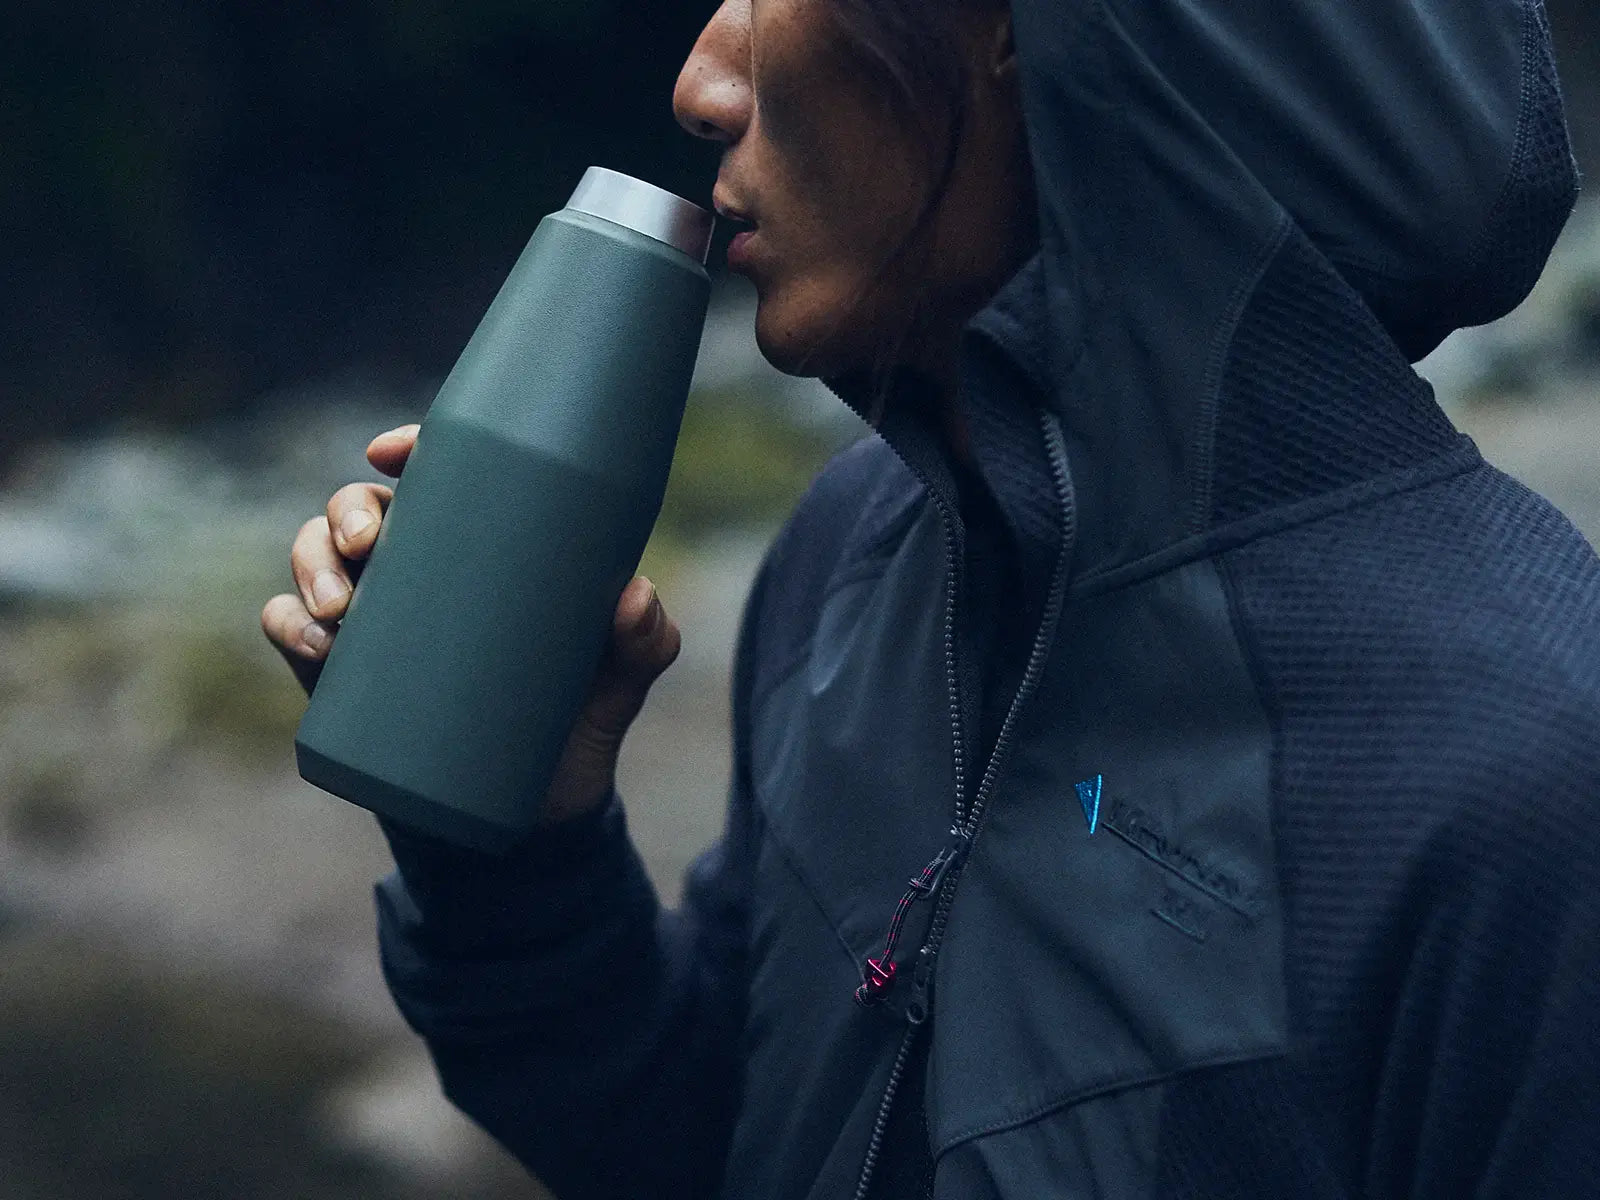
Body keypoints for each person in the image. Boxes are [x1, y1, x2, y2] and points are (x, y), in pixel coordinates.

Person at [262, 0, 1598, 1195]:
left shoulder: (1529, 776)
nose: (702, 80)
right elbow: (703, 1147)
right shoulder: (858, 555)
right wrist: (525, 850)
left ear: (1031, 36)